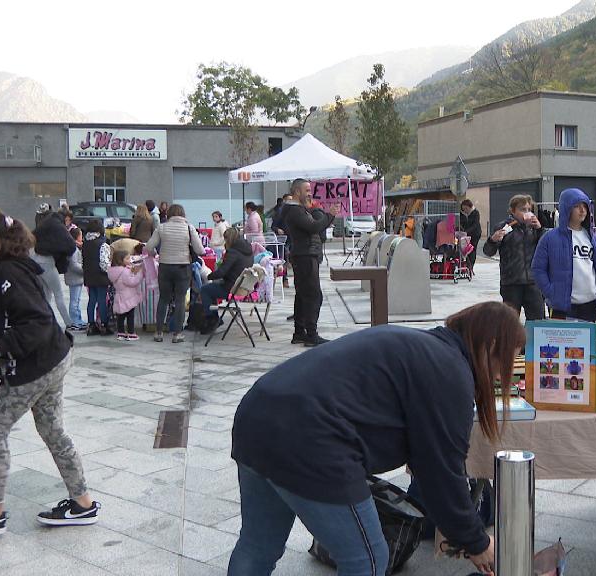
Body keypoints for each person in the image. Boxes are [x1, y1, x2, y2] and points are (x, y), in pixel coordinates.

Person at [228, 301, 520, 576]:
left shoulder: (427, 349)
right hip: (310, 438)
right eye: (507, 362)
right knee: (367, 557)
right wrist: (476, 541)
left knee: (258, 546)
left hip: (257, 413)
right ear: (492, 346)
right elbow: (441, 471)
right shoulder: (451, 372)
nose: (499, 376)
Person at [0, 203, 101, 538]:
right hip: (54, 358)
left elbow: (35, 323)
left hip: (36, 365)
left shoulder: (7, 271)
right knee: (52, 430)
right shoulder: (1, 268)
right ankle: (83, 503)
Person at [532, 189, 596, 323]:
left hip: (590, 304)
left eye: (585, 206)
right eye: (577, 206)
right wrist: (551, 292)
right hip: (563, 306)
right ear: (566, 208)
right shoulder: (549, 238)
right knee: (563, 343)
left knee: (589, 343)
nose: (582, 210)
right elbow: (538, 269)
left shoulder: (592, 237)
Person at [283, 179, 338, 347]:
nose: (310, 193)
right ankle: (311, 334)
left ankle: (299, 332)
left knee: (302, 295)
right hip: (305, 256)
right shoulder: (295, 211)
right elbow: (314, 227)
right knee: (314, 295)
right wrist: (330, 214)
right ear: (297, 192)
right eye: (307, 190)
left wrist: (325, 216)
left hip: (304, 255)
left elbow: (314, 226)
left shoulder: (298, 209)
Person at [482, 194, 546, 321]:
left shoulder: (534, 228)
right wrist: (492, 240)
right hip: (511, 283)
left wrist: (540, 229)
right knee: (509, 323)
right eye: (523, 209)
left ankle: (533, 341)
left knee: (537, 322)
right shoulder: (503, 227)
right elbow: (488, 252)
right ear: (512, 210)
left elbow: (547, 247)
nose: (527, 212)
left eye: (529, 209)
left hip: (533, 283)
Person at [146, 203, 204, 344]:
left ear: (170, 214)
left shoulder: (162, 227)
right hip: (182, 267)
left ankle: (158, 332)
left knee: (164, 299)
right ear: (183, 214)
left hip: (165, 266)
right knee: (179, 300)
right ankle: (177, 333)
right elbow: (200, 250)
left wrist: (155, 253)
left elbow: (149, 247)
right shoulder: (189, 228)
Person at [199, 228, 254, 333]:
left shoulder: (233, 252)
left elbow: (221, 272)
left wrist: (209, 276)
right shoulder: (248, 250)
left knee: (205, 289)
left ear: (228, 240)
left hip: (232, 289)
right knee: (213, 288)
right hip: (244, 288)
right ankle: (214, 318)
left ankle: (212, 319)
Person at [82, 220, 113, 336]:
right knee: (102, 300)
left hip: (89, 275)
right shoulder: (103, 244)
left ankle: (91, 324)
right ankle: (104, 324)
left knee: (92, 300)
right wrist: (111, 272)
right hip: (101, 276)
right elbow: (104, 263)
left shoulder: (85, 243)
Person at [107, 249, 143, 341]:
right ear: (120, 260)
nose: (129, 260)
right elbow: (132, 282)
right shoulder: (124, 272)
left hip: (120, 296)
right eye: (127, 258)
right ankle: (131, 333)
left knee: (121, 316)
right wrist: (139, 274)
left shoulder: (113, 271)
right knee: (130, 316)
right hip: (128, 296)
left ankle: (121, 333)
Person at [64, 227, 87, 331]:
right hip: (75, 277)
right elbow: (74, 265)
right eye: (81, 235)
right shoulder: (74, 249)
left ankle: (77, 319)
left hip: (74, 277)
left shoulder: (73, 247)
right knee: (74, 300)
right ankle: (74, 321)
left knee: (76, 300)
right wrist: (84, 270)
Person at [458, 199, 482, 274]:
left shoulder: (475, 213)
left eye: (466, 208)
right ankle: (466, 266)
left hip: (475, 234)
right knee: (464, 250)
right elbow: (460, 223)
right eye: (463, 209)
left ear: (470, 206)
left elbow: (475, 225)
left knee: (472, 250)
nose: (465, 210)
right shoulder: (462, 214)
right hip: (465, 235)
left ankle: (471, 267)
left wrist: (466, 231)